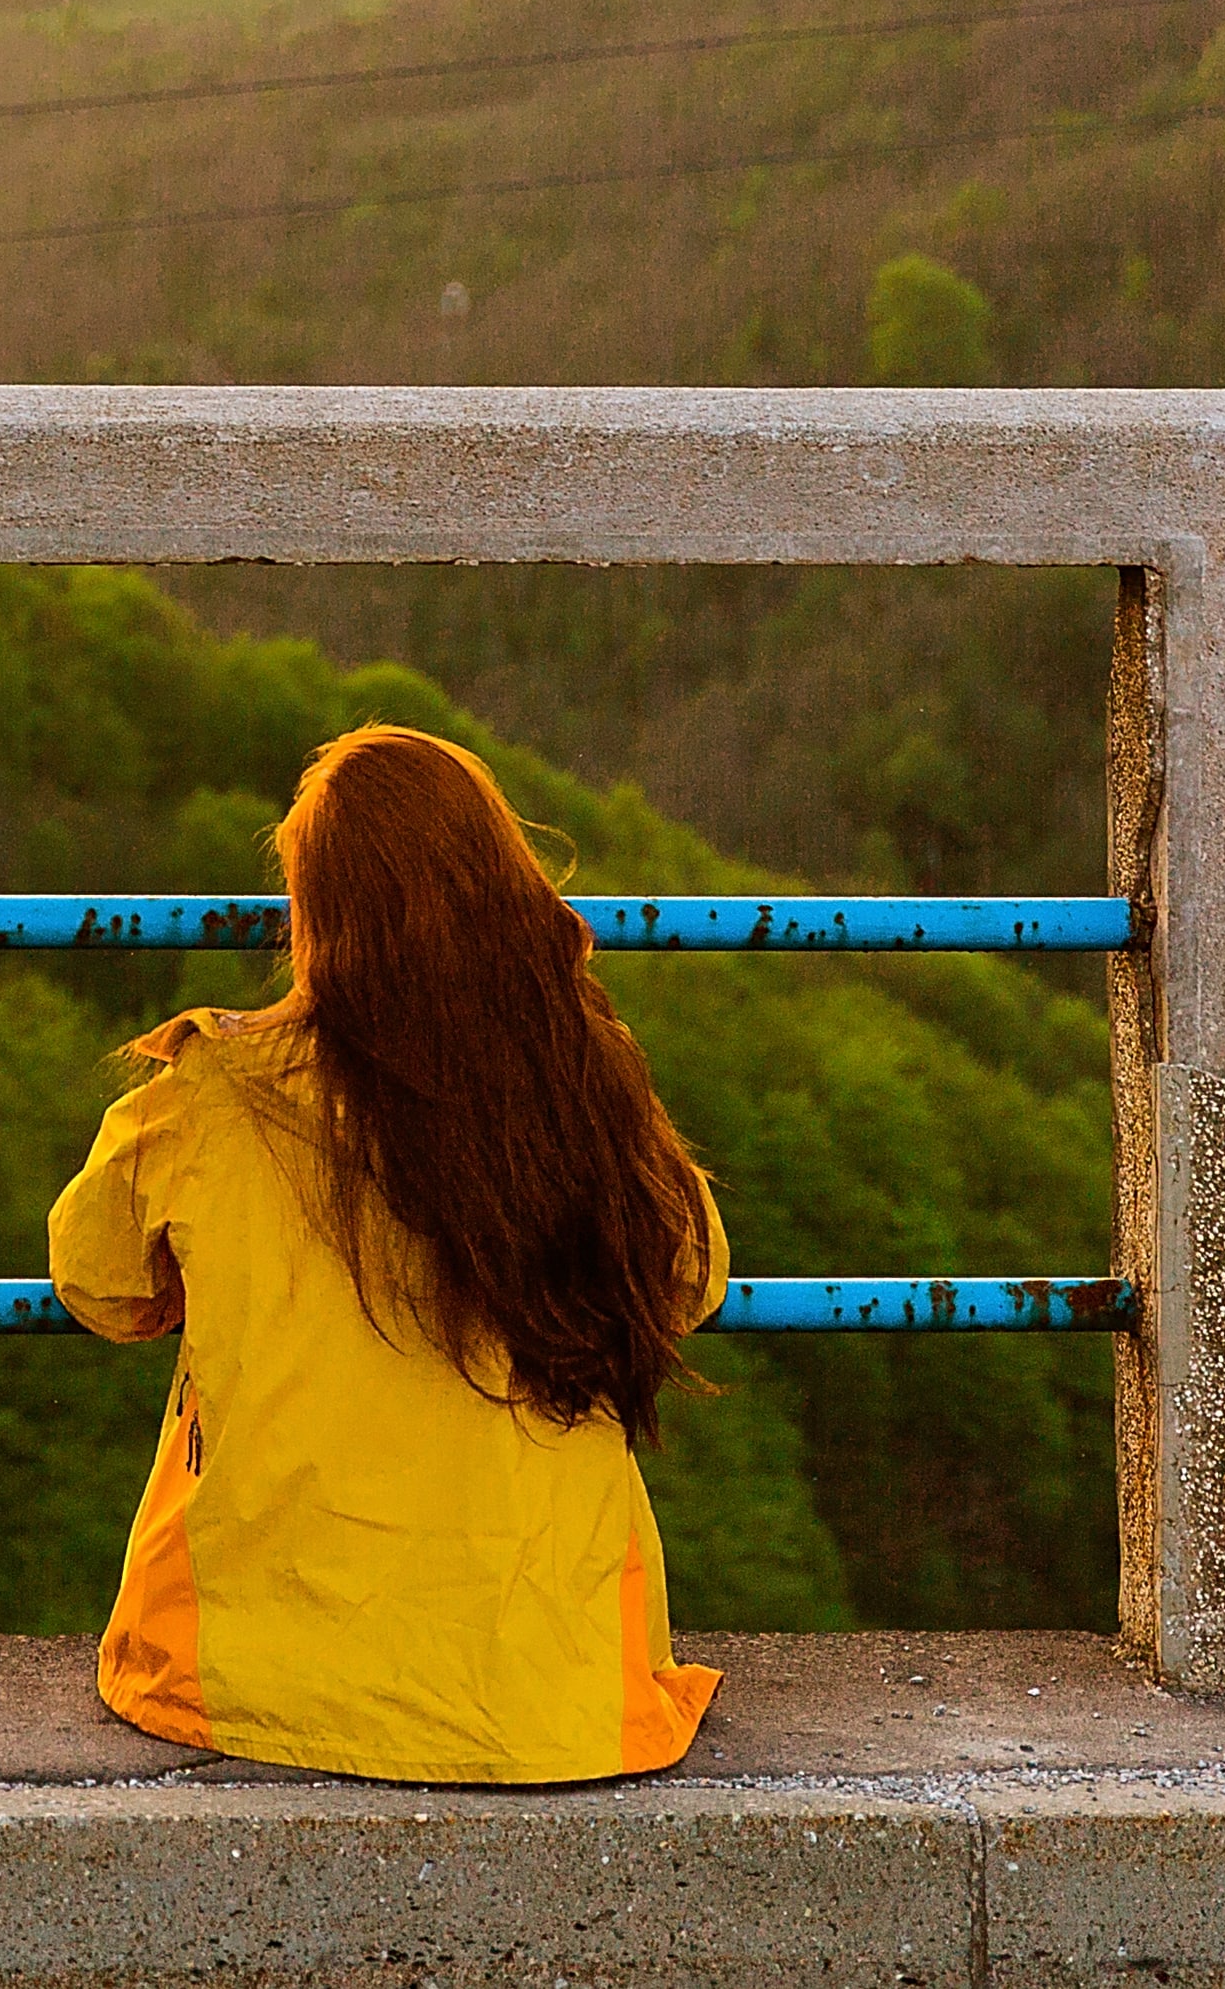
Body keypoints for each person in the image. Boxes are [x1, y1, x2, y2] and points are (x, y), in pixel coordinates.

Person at [46, 723, 729, 1783]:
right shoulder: (583, 1083)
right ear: (503, 877)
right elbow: (688, 1281)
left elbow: (96, 1284)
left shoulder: (212, 1094)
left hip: (251, 1683)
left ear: (314, 913)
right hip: (546, 1694)